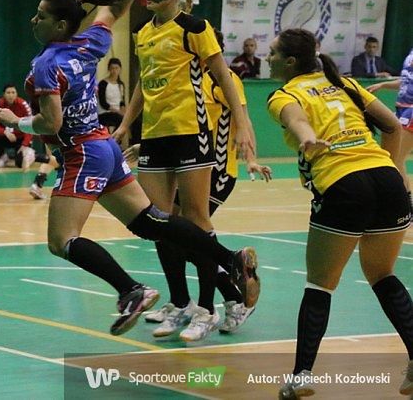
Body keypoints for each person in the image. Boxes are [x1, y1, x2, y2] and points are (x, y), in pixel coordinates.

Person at [0, 0, 258, 337]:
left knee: (61, 240)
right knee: (150, 222)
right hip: (104, 147)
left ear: (59, 26)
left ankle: (131, 290)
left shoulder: (47, 63)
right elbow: (111, 12)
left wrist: (16, 122)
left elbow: (51, 122)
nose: (33, 20)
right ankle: (230, 258)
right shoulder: (89, 43)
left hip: (80, 153)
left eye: (41, 16)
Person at [112, 0, 258, 342]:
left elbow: (223, 75)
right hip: (155, 135)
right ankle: (180, 302)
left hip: (191, 131)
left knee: (196, 220)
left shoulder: (195, 28)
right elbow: (144, 83)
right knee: (160, 222)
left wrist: (243, 123)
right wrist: (126, 124)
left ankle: (207, 309)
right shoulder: (143, 33)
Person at [266, 28, 413, 399]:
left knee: (320, 283)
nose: (268, 58)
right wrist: (395, 168)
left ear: (289, 62)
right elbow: (392, 125)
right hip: (387, 181)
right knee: (383, 275)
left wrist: (306, 137)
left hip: (345, 185)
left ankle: (301, 375)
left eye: (273, 53)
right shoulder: (344, 83)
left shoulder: (284, 94)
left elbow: (296, 118)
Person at [125, 29, 271, 339]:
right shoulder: (185, 80)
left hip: (217, 170)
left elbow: (243, 120)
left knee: (191, 235)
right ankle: (192, 301)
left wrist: (251, 159)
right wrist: (145, 145)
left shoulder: (223, 78)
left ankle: (210, 307)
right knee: (166, 230)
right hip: (183, 163)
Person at [367, 47, 413, 208]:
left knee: (396, 158)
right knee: (393, 158)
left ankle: (404, 204)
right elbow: (406, 82)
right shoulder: (410, 53)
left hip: (411, 110)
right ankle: (405, 203)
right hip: (402, 108)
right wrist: (383, 85)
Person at [0, 84, 35, 169]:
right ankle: (3, 157)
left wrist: (25, 144)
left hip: (20, 139)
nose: (11, 95)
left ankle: (30, 153)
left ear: (17, 94)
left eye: (13, 92)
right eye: (8, 93)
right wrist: (5, 132)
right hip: (6, 137)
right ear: (4, 94)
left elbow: (30, 126)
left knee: (20, 164)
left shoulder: (23, 104)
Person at [97, 57, 126, 132]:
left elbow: (122, 102)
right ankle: (114, 137)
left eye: (116, 68)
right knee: (120, 119)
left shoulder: (121, 85)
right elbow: (103, 103)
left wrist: (124, 111)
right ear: (109, 69)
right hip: (106, 112)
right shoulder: (103, 83)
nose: (114, 71)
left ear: (120, 69)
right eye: (112, 68)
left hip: (117, 112)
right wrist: (116, 111)